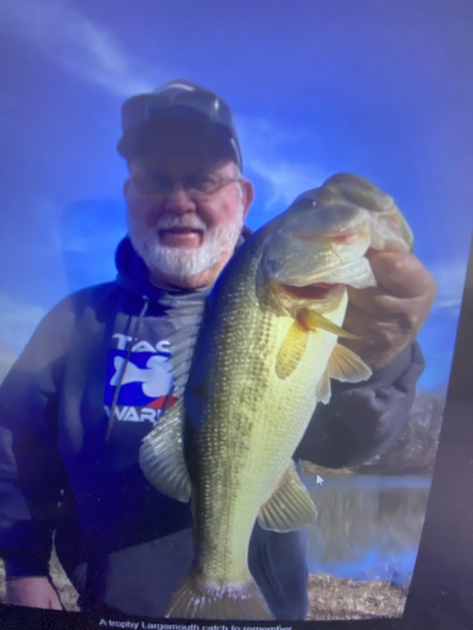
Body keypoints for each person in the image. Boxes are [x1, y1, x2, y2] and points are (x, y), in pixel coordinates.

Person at [0, 80, 436, 619]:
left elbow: (343, 441)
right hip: (104, 611)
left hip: (260, 614)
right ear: (128, 196)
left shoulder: (317, 307)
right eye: (154, 178)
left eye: (203, 179)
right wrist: (23, 565)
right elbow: (14, 448)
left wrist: (381, 360)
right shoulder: (71, 322)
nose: (178, 200)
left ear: (243, 198)